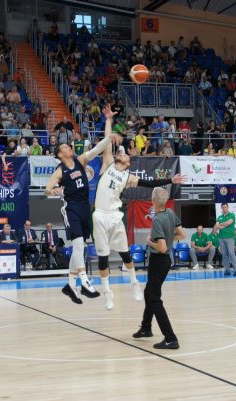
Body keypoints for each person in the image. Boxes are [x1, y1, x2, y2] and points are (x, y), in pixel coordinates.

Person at [91, 104, 186, 309]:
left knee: (125, 254)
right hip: (99, 215)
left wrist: (171, 180)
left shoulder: (128, 177)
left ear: (127, 163)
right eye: (122, 153)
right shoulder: (107, 163)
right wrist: (108, 119)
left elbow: (150, 183)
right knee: (103, 257)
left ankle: (134, 283)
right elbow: (108, 141)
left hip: (115, 216)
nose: (122, 153)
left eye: (125, 155)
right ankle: (108, 293)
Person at [45, 110, 121, 304]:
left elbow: (97, 149)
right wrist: (55, 191)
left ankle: (70, 285)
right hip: (70, 208)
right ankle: (85, 281)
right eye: (64, 147)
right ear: (60, 154)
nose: (68, 147)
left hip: (85, 207)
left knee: (80, 247)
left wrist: (109, 131)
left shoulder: (80, 161)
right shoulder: (60, 171)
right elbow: (47, 189)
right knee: (78, 245)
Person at [133, 187, 185, 349]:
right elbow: (181, 234)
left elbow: (161, 248)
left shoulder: (157, 220)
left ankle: (171, 338)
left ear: (153, 201)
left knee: (154, 298)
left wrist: (150, 243)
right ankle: (146, 328)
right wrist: (169, 241)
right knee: (149, 292)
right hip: (165, 261)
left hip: (159, 259)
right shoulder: (170, 213)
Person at [215, 203, 236, 276]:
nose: (224, 208)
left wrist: (221, 225)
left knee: (231, 253)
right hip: (221, 238)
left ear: (227, 207)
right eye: (222, 207)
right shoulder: (219, 217)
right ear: (221, 208)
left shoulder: (232, 215)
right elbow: (216, 226)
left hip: (230, 237)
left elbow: (229, 223)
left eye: (225, 207)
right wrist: (223, 225)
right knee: (224, 254)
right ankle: (227, 270)